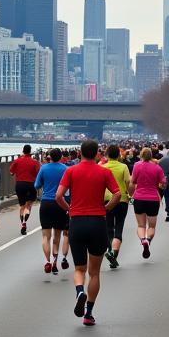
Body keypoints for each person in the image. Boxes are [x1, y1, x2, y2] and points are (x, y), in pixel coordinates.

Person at [56, 139, 121, 326]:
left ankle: (79, 291)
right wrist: (106, 208)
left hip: (76, 222)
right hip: (97, 222)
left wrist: (69, 209)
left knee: (79, 269)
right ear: (98, 154)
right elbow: (117, 194)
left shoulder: (71, 171)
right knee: (94, 273)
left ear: (81, 153)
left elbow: (58, 196)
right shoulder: (104, 171)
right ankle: (89, 313)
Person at [36, 148, 70, 272]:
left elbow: (36, 185)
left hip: (46, 203)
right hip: (60, 203)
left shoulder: (43, 168)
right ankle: (56, 261)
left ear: (49, 156)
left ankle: (47, 261)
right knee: (57, 235)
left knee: (46, 236)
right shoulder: (66, 169)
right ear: (61, 157)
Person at [128, 147, 165, 258]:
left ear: (141, 155)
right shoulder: (157, 168)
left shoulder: (136, 166)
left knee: (140, 225)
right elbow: (163, 183)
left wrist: (131, 193)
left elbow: (133, 181)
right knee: (152, 226)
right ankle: (148, 240)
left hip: (139, 197)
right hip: (153, 199)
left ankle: (143, 239)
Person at [102, 145, 131, 269]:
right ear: (119, 155)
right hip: (122, 199)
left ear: (107, 155)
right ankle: (114, 253)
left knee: (109, 227)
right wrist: (129, 194)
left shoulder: (102, 167)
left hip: (106, 199)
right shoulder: (123, 167)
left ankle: (109, 250)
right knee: (119, 226)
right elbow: (128, 182)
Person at [11, 144, 41, 235]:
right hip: (30, 184)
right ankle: (25, 220)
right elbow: (38, 173)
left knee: (22, 206)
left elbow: (11, 172)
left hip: (19, 185)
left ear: (23, 151)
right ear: (30, 152)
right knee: (29, 205)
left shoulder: (17, 161)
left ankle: (22, 224)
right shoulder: (34, 162)